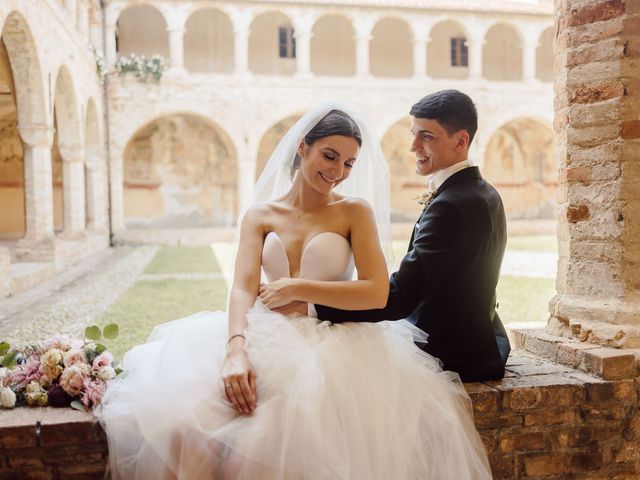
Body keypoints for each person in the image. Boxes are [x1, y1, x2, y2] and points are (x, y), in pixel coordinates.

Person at [97, 103, 492, 479]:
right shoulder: (260, 215)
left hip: (332, 352)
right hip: (261, 336)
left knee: (265, 449)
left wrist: (296, 287)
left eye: (349, 163)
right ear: (303, 147)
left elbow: (375, 292)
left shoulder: (355, 211)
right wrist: (235, 349)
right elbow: (242, 289)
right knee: (184, 431)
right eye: (330, 156)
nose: (338, 171)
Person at [312, 90, 511, 382]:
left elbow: (399, 298)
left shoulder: (452, 206)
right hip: (480, 339)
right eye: (413, 134)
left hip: (451, 352)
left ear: (460, 141)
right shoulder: (482, 191)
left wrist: (313, 305)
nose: (413, 146)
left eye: (426, 136)